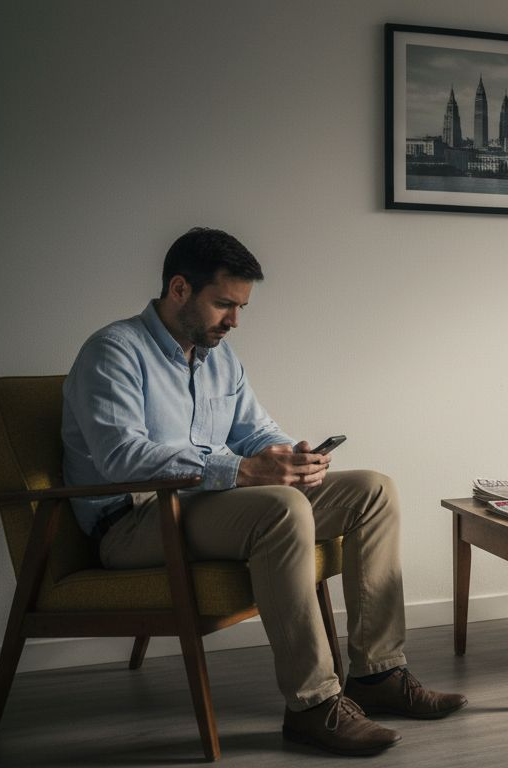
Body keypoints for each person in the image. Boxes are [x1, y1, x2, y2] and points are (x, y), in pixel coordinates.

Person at [61, 227, 464, 757]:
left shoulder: (219, 358)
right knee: (281, 508)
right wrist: (243, 471)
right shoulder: (113, 351)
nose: (234, 321)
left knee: (373, 490)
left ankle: (377, 675)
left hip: (204, 505)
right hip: (134, 520)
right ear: (179, 288)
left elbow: (254, 432)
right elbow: (123, 458)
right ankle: (313, 705)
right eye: (224, 304)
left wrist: (292, 457)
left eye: (241, 307)